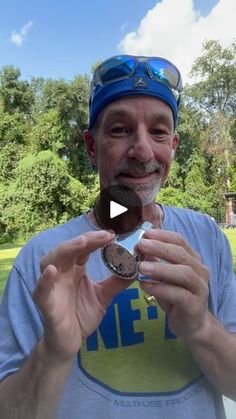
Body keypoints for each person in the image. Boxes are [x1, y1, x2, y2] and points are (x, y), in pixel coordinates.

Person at [0, 55, 236, 419]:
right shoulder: (42, 261)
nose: (143, 151)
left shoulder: (207, 237)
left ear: (173, 146)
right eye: (120, 130)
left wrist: (201, 327)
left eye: (158, 132)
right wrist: (53, 354)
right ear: (92, 147)